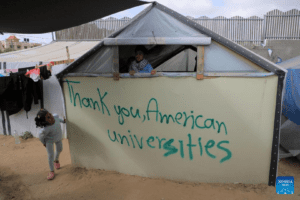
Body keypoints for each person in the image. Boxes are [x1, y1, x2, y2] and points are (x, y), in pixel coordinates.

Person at [35, 109, 66, 180]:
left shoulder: (55, 117)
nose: (51, 116)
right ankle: (51, 171)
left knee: (60, 149)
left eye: (50, 114)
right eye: (48, 117)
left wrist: (64, 121)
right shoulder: (45, 129)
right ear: (44, 122)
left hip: (58, 138)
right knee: (50, 155)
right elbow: (40, 136)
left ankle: (56, 160)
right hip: (49, 141)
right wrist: (44, 143)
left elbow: (59, 120)